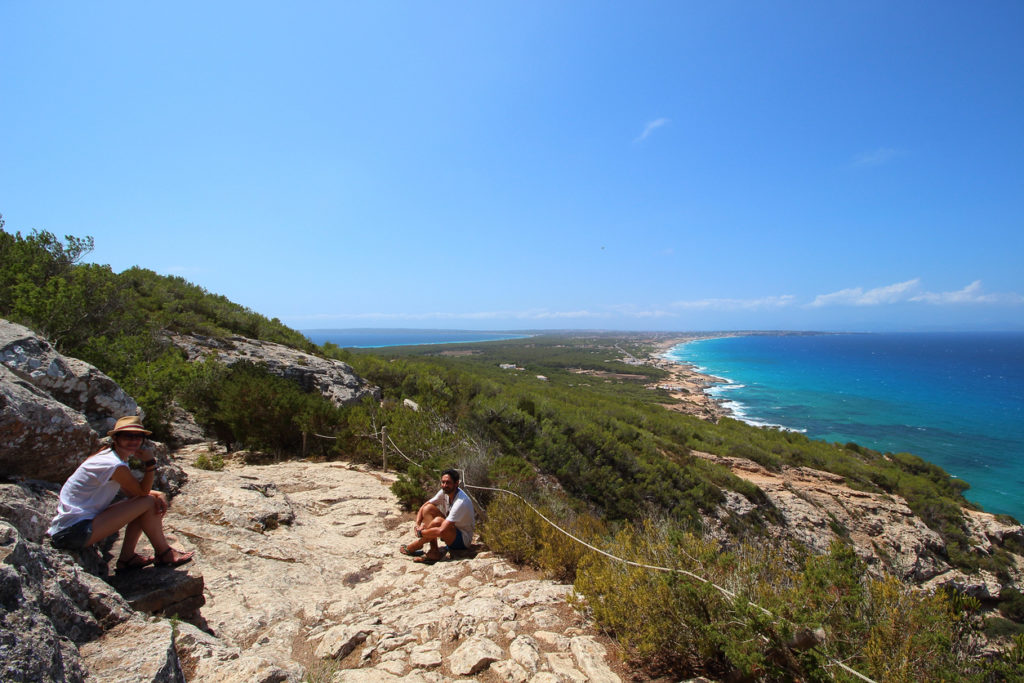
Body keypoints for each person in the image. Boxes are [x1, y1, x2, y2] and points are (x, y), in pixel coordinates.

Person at [48, 415, 194, 572]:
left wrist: (157, 493)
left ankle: (128, 558)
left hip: (72, 529)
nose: (133, 440)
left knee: (146, 501)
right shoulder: (114, 464)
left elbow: (134, 494)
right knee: (148, 502)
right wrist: (150, 463)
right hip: (73, 532)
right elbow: (141, 492)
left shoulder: (111, 458)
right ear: (116, 438)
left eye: (138, 436)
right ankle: (164, 553)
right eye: (127, 436)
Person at [400, 469, 475, 563]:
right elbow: (424, 506)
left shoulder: (461, 502)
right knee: (428, 509)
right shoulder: (445, 492)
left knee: (438, 521)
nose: (444, 485)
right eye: (443, 482)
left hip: (463, 540)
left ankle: (415, 546)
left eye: (448, 483)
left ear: (456, 484)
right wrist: (418, 524)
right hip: (452, 529)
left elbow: (441, 530)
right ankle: (434, 551)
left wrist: (421, 533)